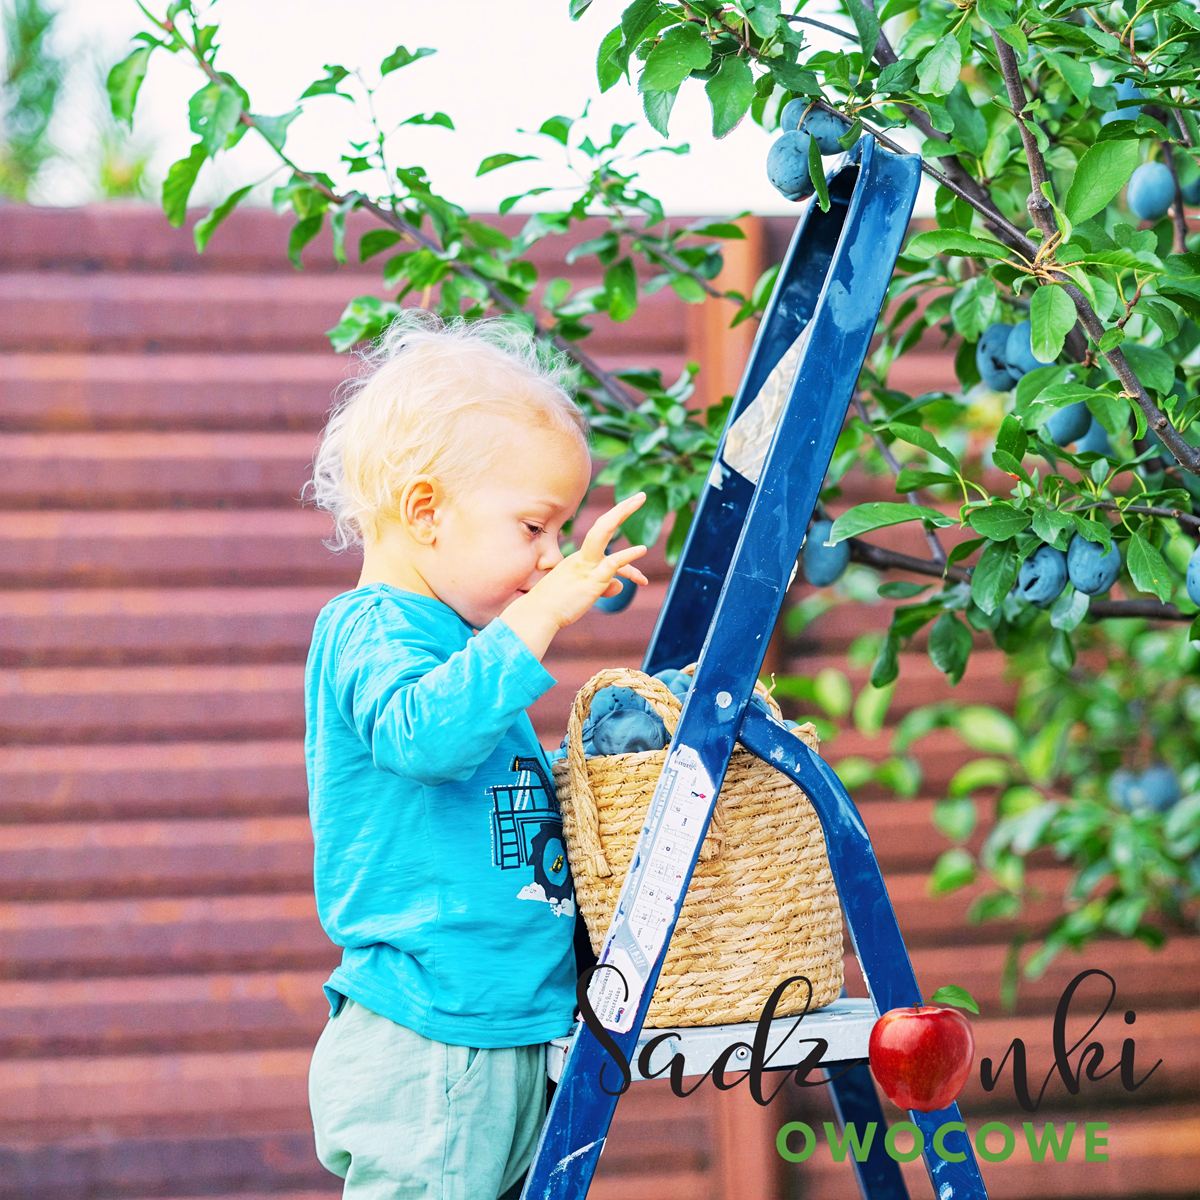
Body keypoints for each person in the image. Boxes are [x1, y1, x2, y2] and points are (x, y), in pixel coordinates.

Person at [300, 308, 649, 1200]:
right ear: (426, 511)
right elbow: (423, 737)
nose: (551, 560)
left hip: (503, 1027)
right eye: (534, 528)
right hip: (433, 1039)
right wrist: (544, 614)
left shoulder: (462, 644)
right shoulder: (372, 629)